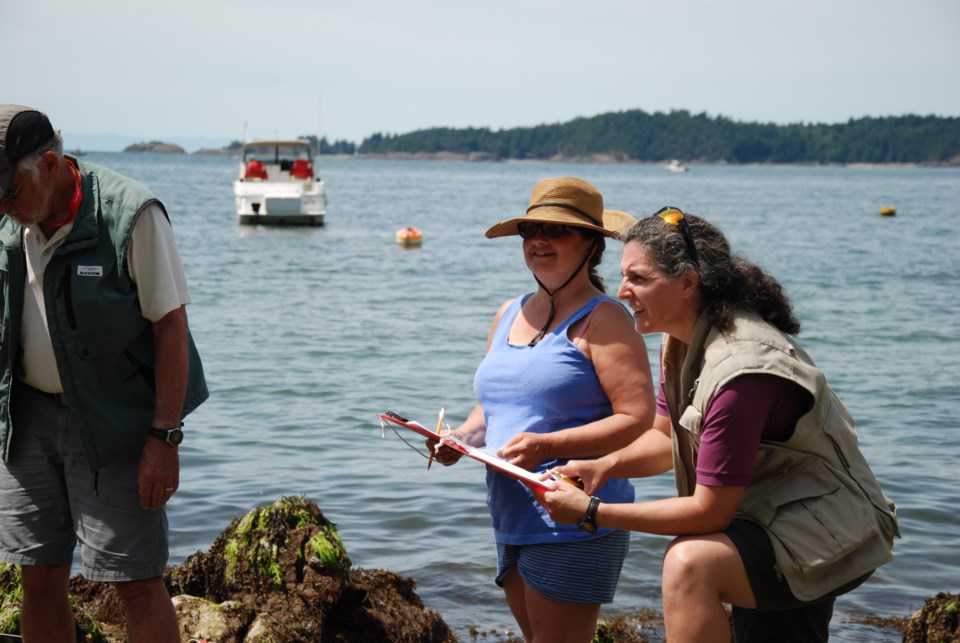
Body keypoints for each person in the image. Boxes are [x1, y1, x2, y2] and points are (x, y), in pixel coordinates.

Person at [537, 207, 900, 643]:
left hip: (824, 532)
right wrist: (603, 467)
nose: (622, 291)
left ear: (689, 282)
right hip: (770, 519)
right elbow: (662, 437)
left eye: (639, 278)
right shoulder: (684, 340)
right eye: (623, 275)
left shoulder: (740, 372)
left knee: (690, 564)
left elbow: (710, 510)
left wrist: (594, 512)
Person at [0, 105, 208, 642]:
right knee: (38, 578)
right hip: (27, 418)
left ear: (50, 164)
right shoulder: (9, 215)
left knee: (136, 582)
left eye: (11, 191)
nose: (4, 205)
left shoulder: (132, 213)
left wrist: (164, 438)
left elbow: (172, 327)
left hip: (116, 422)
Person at [433, 177, 656, 643]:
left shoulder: (606, 318)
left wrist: (547, 445)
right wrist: (462, 439)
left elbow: (636, 418)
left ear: (591, 245)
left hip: (574, 517)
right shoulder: (508, 311)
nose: (539, 241)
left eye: (556, 231)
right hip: (511, 512)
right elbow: (495, 408)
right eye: (531, 230)